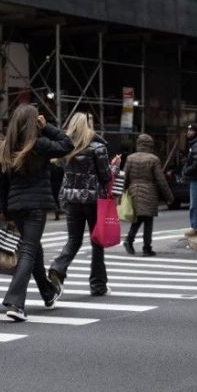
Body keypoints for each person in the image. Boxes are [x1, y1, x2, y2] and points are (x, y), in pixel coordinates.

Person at [0, 104, 74, 321]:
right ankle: (15, 302)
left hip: (15, 207)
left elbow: (1, 184)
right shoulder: (39, 145)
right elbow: (68, 144)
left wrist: (6, 211)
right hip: (36, 206)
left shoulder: (5, 149)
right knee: (29, 250)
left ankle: (47, 292)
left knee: (34, 247)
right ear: (33, 123)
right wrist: (47, 126)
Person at [48, 113, 120, 298]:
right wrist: (115, 167)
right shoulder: (98, 147)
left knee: (73, 240)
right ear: (89, 126)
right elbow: (105, 177)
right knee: (97, 242)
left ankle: (58, 267)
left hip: (72, 201)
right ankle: (98, 285)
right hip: (93, 201)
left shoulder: (66, 149)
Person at [122, 134, 174, 256]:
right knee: (148, 221)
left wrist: (121, 193)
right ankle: (146, 248)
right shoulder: (153, 159)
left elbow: (124, 177)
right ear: (150, 145)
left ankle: (129, 240)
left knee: (138, 218)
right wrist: (169, 197)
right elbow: (161, 180)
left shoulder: (130, 158)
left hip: (133, 191)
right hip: (149, 191)